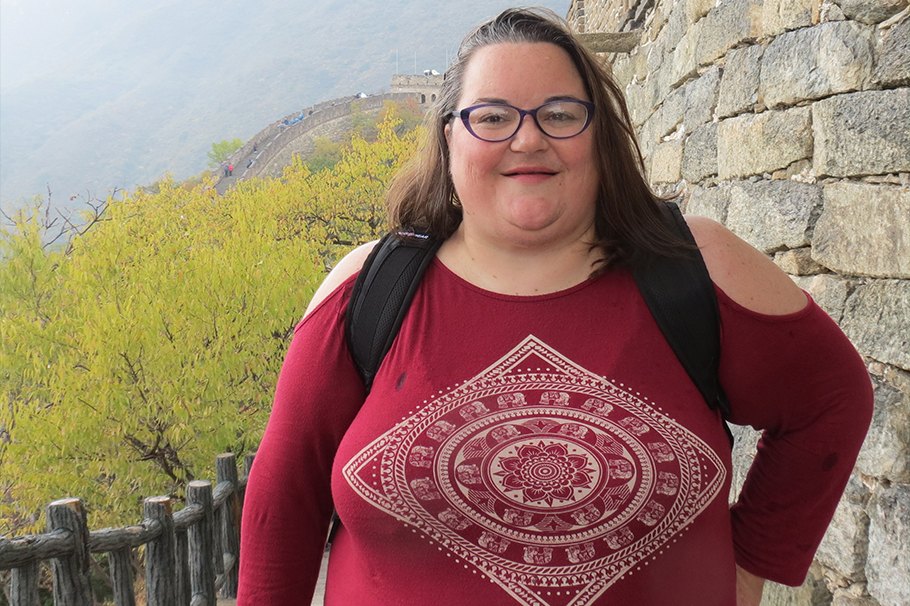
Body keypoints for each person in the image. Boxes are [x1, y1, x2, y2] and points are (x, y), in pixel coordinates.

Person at [237, 8, 872, 606]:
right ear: (449, 137)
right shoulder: (368, 291)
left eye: (561, 114)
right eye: (492, 117)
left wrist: (751, 566)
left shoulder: (697, 270)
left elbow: (833, 399)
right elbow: (282, 502)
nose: (528, 139)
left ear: (600, 135)